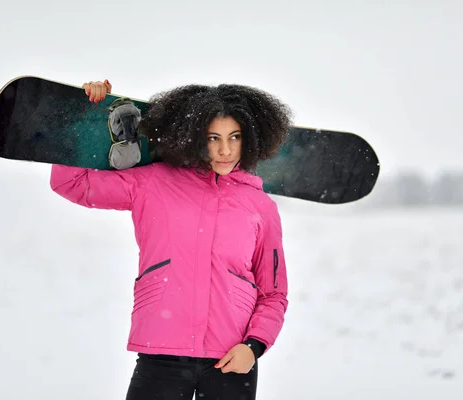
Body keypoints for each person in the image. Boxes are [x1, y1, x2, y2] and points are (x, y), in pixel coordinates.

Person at [49, 79, 292, 399]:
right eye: (213, 138)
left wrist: (253, 346)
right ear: (194, 138)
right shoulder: (154, 182)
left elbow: (274, 293)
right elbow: (74, 184)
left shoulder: (261, 207)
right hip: (161, 354)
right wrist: (87, 116)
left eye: (235, 137)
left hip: (232, 360)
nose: (225, 150)